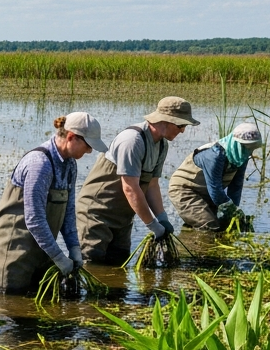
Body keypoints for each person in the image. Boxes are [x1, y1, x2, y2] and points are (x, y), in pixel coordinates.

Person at [0, 112, 108, 294]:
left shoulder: (70, 164)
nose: (90, 151)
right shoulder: (40, 165)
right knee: (12, 309)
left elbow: (68, 211)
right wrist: (59, 257)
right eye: (88, 145)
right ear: (71, 137)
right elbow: (34, 219)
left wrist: (74, 248)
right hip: (15, 251)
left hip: (43, 251)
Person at [75, 97, 200, 265]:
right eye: (181, 126)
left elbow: (152, 185)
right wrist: (152, 225)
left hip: (123, 218)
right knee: (92, 263)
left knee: (119, 262)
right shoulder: (132, 141)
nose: (183, 131)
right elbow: (130, 188)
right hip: (97, 214)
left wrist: (162, 218)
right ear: (166, 121)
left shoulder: (162, 145)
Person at [170, 122, 265, 231]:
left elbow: (236, 187)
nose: (250, 151)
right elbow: (215, 189)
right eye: (248, 146)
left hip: (206, 193)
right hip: (185, 190)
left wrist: (233, 212)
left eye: (253, 147)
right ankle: (191, 245)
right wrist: (231, 208)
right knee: (210, 225)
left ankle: (190, 238)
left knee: (224, 225)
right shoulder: (215, 155)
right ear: (237, 143)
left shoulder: (240, 157)